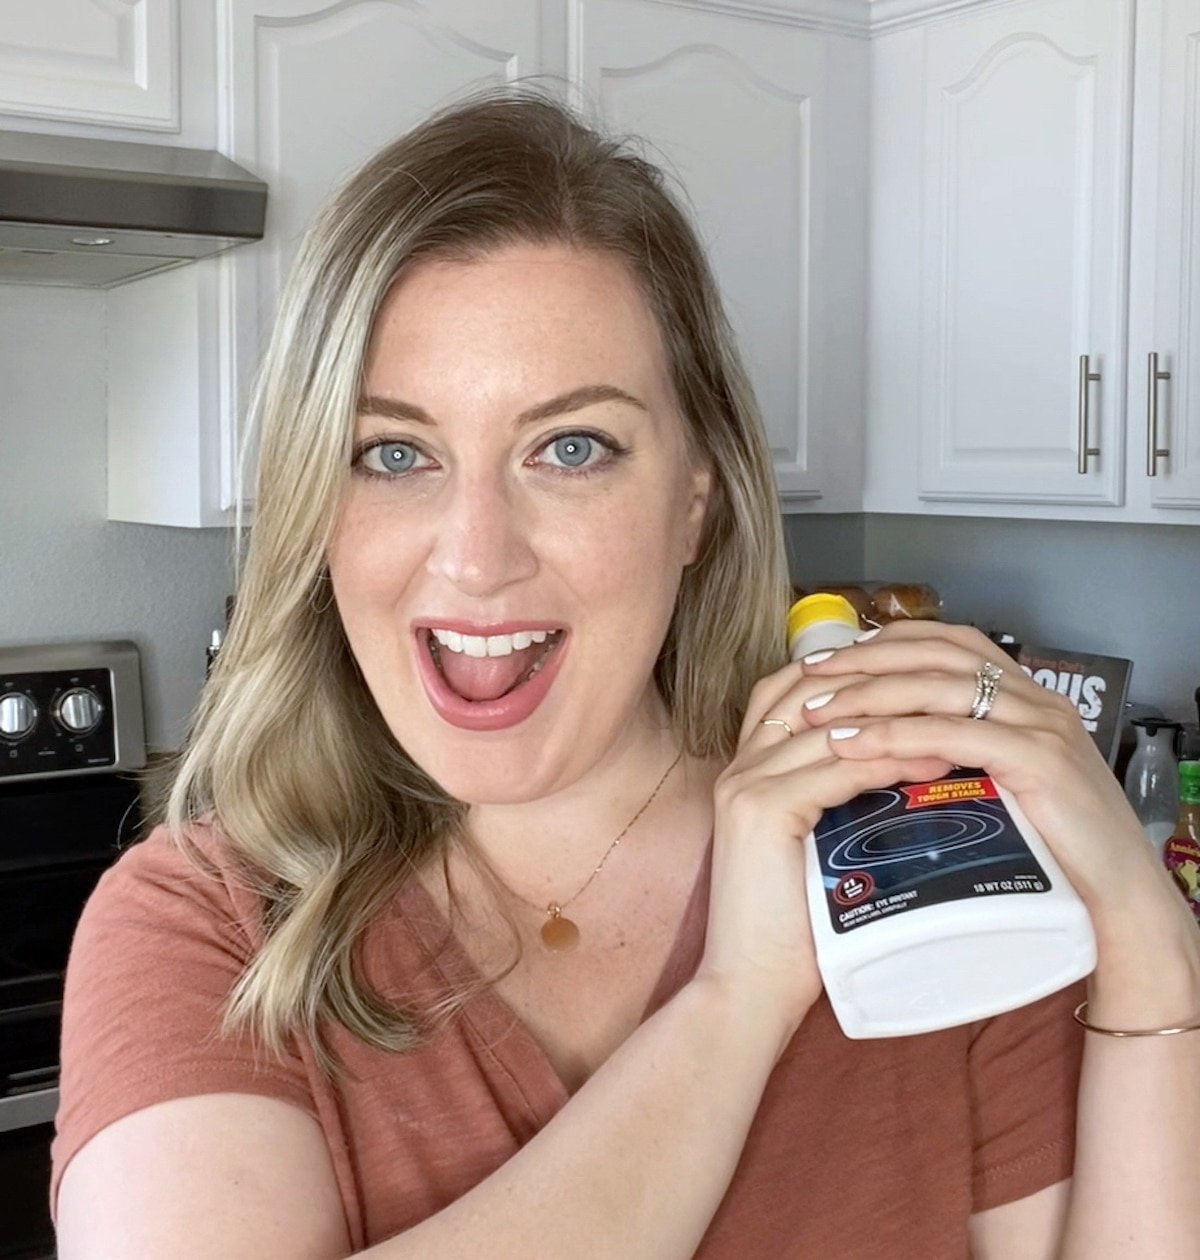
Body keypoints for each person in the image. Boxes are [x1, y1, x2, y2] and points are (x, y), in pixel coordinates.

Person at [52, 86, 1199, 1259]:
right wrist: (736, 1001)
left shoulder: (922, 857)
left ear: (695, 499)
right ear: (316, 507)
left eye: (571, 448)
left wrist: (1153, 946)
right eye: (394, 453)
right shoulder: (204, 927)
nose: (476, 556)